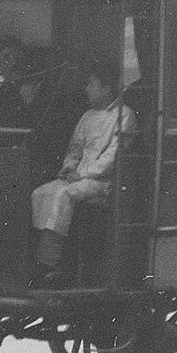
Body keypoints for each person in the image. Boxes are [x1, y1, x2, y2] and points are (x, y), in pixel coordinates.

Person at [29, 60, 135, 287]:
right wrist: (69, 168)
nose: (87, 89)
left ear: (106, 88)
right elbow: (74, 149)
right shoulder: (87, 116)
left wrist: (83, 174)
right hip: (78, 177)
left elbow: (112, 158)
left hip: (103, 182)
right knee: (39, 193)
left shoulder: (124, 115)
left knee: (62, 196)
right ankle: (38, 256)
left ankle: (50, 264)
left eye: (91, 84)